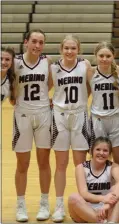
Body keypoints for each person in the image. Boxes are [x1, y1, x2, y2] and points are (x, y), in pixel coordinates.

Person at [50, 34, 92, 222]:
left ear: (78, 50)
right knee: (60, 163)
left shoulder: (85, 66)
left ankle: (82, 202)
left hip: (80, 115)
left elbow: (91, 87)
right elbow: (46, 88)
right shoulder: (53, 68)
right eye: (66, 48)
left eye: (73, 48)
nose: (69, 51)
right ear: (61, 49)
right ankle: (59, 205)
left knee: (80, 165)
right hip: (59, 116)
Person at [13, 29, 53, 222]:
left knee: (44, 162)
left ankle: (44, 203)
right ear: (26, 42)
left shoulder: (47, 62)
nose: (37, 46)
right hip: (22, 116)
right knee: (23, 163)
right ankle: (20, 204)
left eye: (41, 42)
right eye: (34, 42)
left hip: (44, 115)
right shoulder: (15, 62)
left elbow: (50, 84)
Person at [88, 42, 119, 175]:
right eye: (101, 56)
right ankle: (99, 192)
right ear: (96, 56)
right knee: (97, 161)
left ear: (113, 56)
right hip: (97, 121)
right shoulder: (90, 73)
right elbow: (83, 96)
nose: (104, 59)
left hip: (117, 120)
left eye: (108, 56)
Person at [68, 136, 119, 223]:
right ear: (92, 151)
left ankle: (111, 222)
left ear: (110, 154)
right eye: (98, 149)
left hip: (107, 208)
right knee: (73, 198)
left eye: (105, 150)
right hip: (86, 210)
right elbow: (84, 193)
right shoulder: (81, 167)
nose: (101, 153)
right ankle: (103, 222)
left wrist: (107, 204)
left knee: (117, 189)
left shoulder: (114, 167)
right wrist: (103, 198)